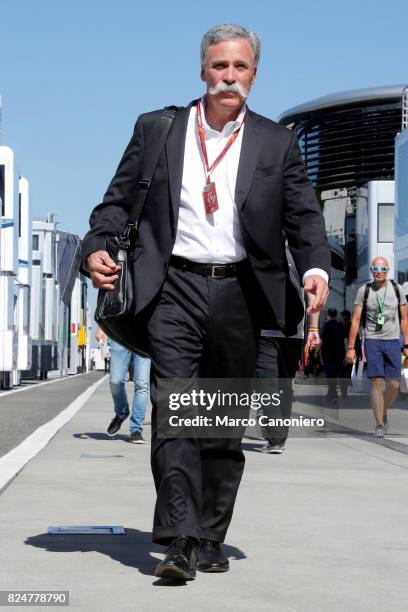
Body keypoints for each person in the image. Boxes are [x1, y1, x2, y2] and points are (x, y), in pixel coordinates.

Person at [81, 24, 330, 581]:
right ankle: (180, 539)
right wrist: (97, 246)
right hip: (173, 289)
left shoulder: (275, 142)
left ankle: (212, 533)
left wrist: (315, 268)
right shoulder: (159, 130)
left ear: (254, 76)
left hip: (243, 293)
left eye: (240, 68)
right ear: (202, 70)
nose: (229, 77)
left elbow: (304, 219)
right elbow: (115, 204)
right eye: (220, 66)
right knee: (173, 413)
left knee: (220, 423)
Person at [256, 247, 321, 454]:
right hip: (272, 331)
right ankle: (277, 437)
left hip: (287, 331)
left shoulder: (294, 252)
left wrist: (313, 328)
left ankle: (277, 436)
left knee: (277, 385)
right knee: (273, 384)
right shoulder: (259, 246)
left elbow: (313, 292)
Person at [346, 256, 408, 438]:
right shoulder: (364, 291)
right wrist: (351, 347)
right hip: (372, 340)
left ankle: (384, 410)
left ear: (387, 270)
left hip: (393, 340)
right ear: (371, 270)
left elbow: (404, 319)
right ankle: (379, 423)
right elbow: (356, 320)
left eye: (382, 269)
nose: (379, 272)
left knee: (395, 385)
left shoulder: (397, 290)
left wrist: (406, 344)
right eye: (376, 269)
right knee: (377, 382)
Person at [95, 327, 151, 444]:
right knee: (115, 382)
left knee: (142, 384)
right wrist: (101, 327)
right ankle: (121, 413)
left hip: (144, 336)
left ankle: (136, 429)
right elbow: (108, 307)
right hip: (120, 333)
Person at [321, 308, 345, 404]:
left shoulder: (326, 325)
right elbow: (342, 341)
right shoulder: (340, 325)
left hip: (328, 354)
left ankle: (332, 395)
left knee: (330, 375)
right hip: (338, 354)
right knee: (334, 375)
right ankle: (331, 394)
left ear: (328, 315)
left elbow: (321, 339)